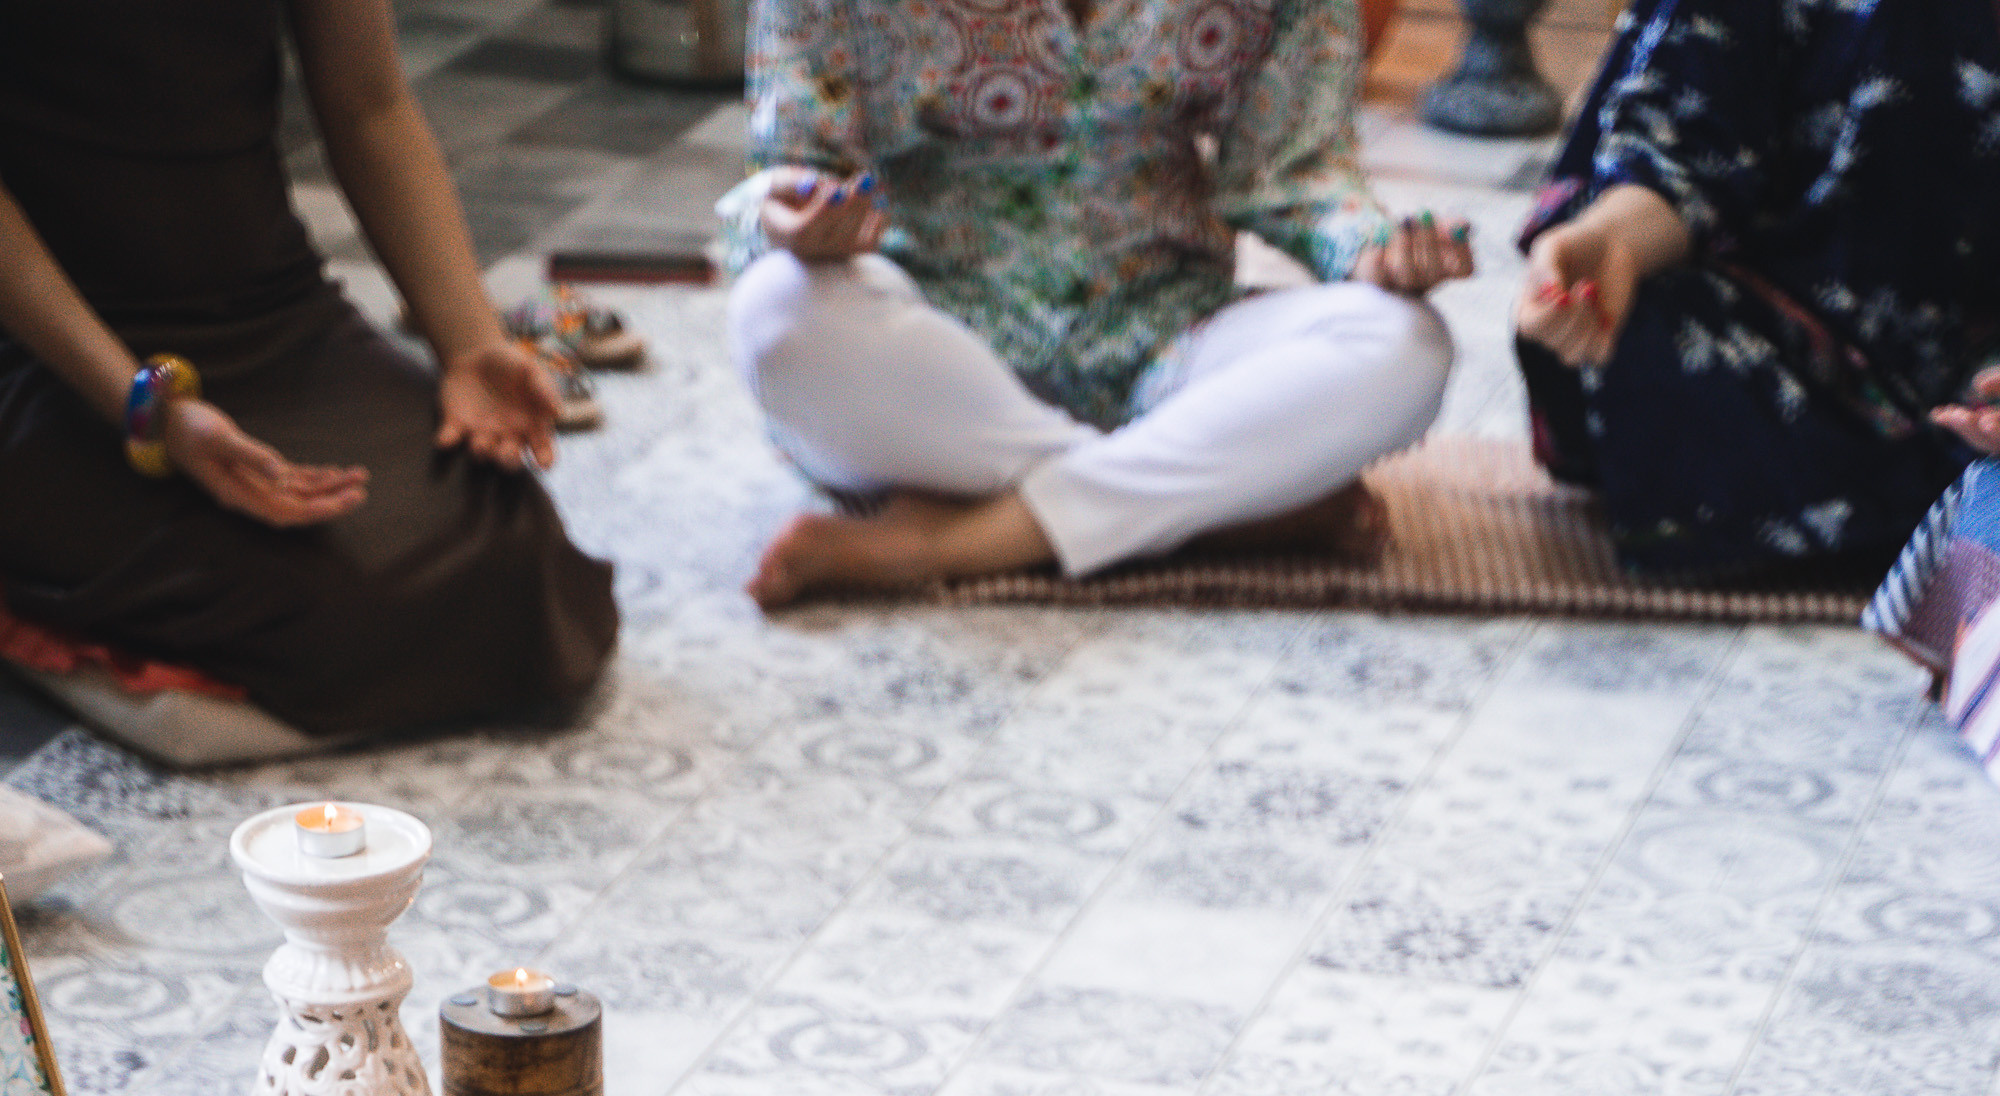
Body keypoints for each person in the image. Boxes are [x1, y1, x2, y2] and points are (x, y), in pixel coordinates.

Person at [0, 0, 617, 741]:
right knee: (321, 593)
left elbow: (373, 107)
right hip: (51, 350)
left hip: (274, 312)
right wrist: (153, 411)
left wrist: (471, 343)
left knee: (511, 548)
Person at [721, 0, 1471, 609]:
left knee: (1405, 342)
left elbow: (1297, 170)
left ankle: (954, 540)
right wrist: (796, 221)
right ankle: (1214, 510)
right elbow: (799, 162)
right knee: (776, 315)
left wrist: (1372, 248)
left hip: (1168, 341)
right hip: (934, 366)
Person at [1512, 0, 2000, 581]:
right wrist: (1609, 242)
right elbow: (1678, 143)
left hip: (1977, 362)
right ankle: (1947, 500)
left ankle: (1942, 501)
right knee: (1641, 335)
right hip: (1790, 353)